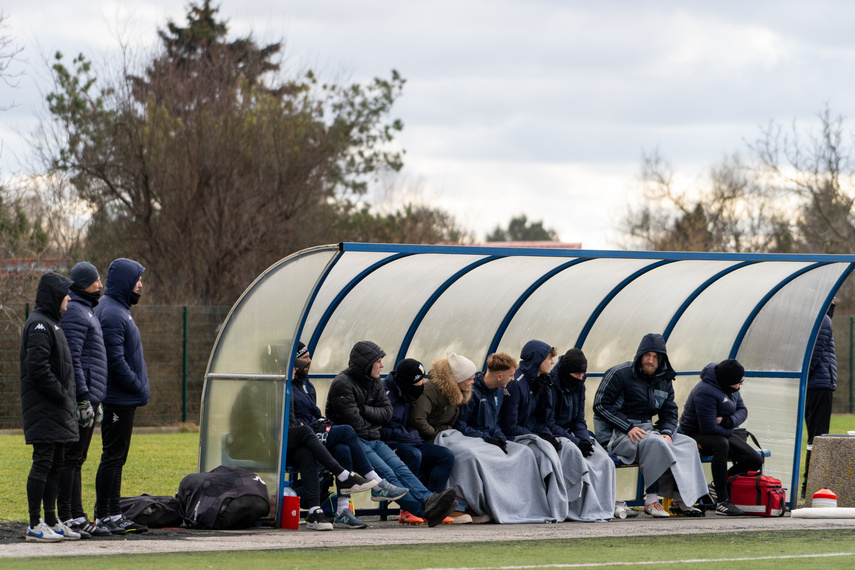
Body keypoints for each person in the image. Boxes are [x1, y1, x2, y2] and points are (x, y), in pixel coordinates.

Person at [325, 340, 457, 527]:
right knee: (388, 474)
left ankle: (429, 500)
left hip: (374, 439)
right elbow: (354, 424)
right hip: (355, 441)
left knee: (401, 469)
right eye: (378, 361)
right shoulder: (343, 384)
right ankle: (425, 512)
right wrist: (372, 417)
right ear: (366, 363)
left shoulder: (375, 382)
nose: (382, 365)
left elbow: (387, 414)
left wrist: (362, 409)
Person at [435, 352, 558, 524]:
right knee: (475, 457)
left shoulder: (500, 391)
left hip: (489, 439)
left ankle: (515, 506)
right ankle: (466, 506)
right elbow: (460, 425)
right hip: (471, 440)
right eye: (511, 375)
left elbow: (497, 422)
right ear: (499, 376)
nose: (514, 379)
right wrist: (486, 437)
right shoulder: (473, 391)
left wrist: (499, 437)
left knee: (525, 453)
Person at [593, 333, 707, 518]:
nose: (650, 360)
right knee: (656, 442)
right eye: (647, 355)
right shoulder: (619, 374)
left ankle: (682, 501)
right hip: (618, 434)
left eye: (655, 357)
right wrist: (628, 426)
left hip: (649, 431)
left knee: (687, 443)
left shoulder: (665, 379)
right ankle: (651, 501)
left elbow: (670, 412)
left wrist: (668, 432)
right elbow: (599, 405)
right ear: (639, 355)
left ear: (661, 359)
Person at [288, 342, 398, 529]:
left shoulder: (307, 385)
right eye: (304, 358)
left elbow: (388, 413)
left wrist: (321, 422)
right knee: (346, 430)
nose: (309, 361)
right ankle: (375, 483)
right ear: (292, 362)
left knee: (343, 448)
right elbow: (291, 424)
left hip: (313, 434)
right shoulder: (285, 387)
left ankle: (341, 511)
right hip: (300, 437)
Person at [20, 272, 82, 542]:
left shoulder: (53, 323)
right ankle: (35, 524)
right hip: (45, 409)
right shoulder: (39, 326)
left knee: (56, 464)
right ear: (54, 296)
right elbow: (38, 370)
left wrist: (68, 400)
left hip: (57, 410)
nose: (69, 297)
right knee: (43, 463)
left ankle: (52, 520)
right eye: (65, 293)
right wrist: (62, 396)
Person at [93, 258, 149, 534]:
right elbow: (114, 360)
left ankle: (113, 513)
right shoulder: (113, 313)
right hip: (118, 398)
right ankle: (104, 514)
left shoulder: (119, 310)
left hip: (124, 398)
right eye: (137, 279)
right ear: (126, 281)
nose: (140, 284)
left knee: (117, 458)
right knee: (112, 457)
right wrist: (137, 385)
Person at [57, 262, 112, 538]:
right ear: (82, 284)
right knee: (71, 458)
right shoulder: (76, 313)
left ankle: (77, 514)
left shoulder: (85, 310)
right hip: (83, 397)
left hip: (92, 397)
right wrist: (83, 399)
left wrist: (96, 400)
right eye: (95, 281)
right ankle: (69, 516)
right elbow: (74, 359)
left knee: (78, 458)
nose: (100, 285)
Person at [679, 359, 762, 516]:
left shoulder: (732, 389)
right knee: (721, 444)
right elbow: (708, 428)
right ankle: (723, 501)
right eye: (739, 382)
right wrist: (730, 428)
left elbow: (743, 410)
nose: (741, 384)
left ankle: (717, 486)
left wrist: (727, 421)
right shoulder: (705, 391)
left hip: (722, 429)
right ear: (727, 382)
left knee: (755, 460)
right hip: (694, 434)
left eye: (742, 380)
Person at [542, 348, 617, 522]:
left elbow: (579, 420)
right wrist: (576, 442)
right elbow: (549, 423)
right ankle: (575, 508)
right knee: (578, 459)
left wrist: (584, 440)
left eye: (583, 373)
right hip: (556, 436)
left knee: (605, 461)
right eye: (577, 373)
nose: (581, 377)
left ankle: (603, 508)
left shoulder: (579, 385)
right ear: (567, 372)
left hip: (573, 436)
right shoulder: (550, 385)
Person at [381, 358, 456, 524]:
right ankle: (407, 510)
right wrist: (409, 436)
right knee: (413, 455)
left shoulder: (408, 391)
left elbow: (410, 422)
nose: (424, 382)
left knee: (445, 456)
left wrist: (411, 435)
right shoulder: (386, 394)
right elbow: (381, 429)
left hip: (408, 440)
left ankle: (433, 506)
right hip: (388, 444)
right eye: (420, 379)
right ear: (409, 381)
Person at [802, 299, 838, 499]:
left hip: (815, 384)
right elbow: (813, 354)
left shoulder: (816, 317)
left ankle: (809, 484)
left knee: (815, 437)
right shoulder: (822, 319)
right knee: (818, 437)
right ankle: (811, 485)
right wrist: (804, 375)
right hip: (819, 384)